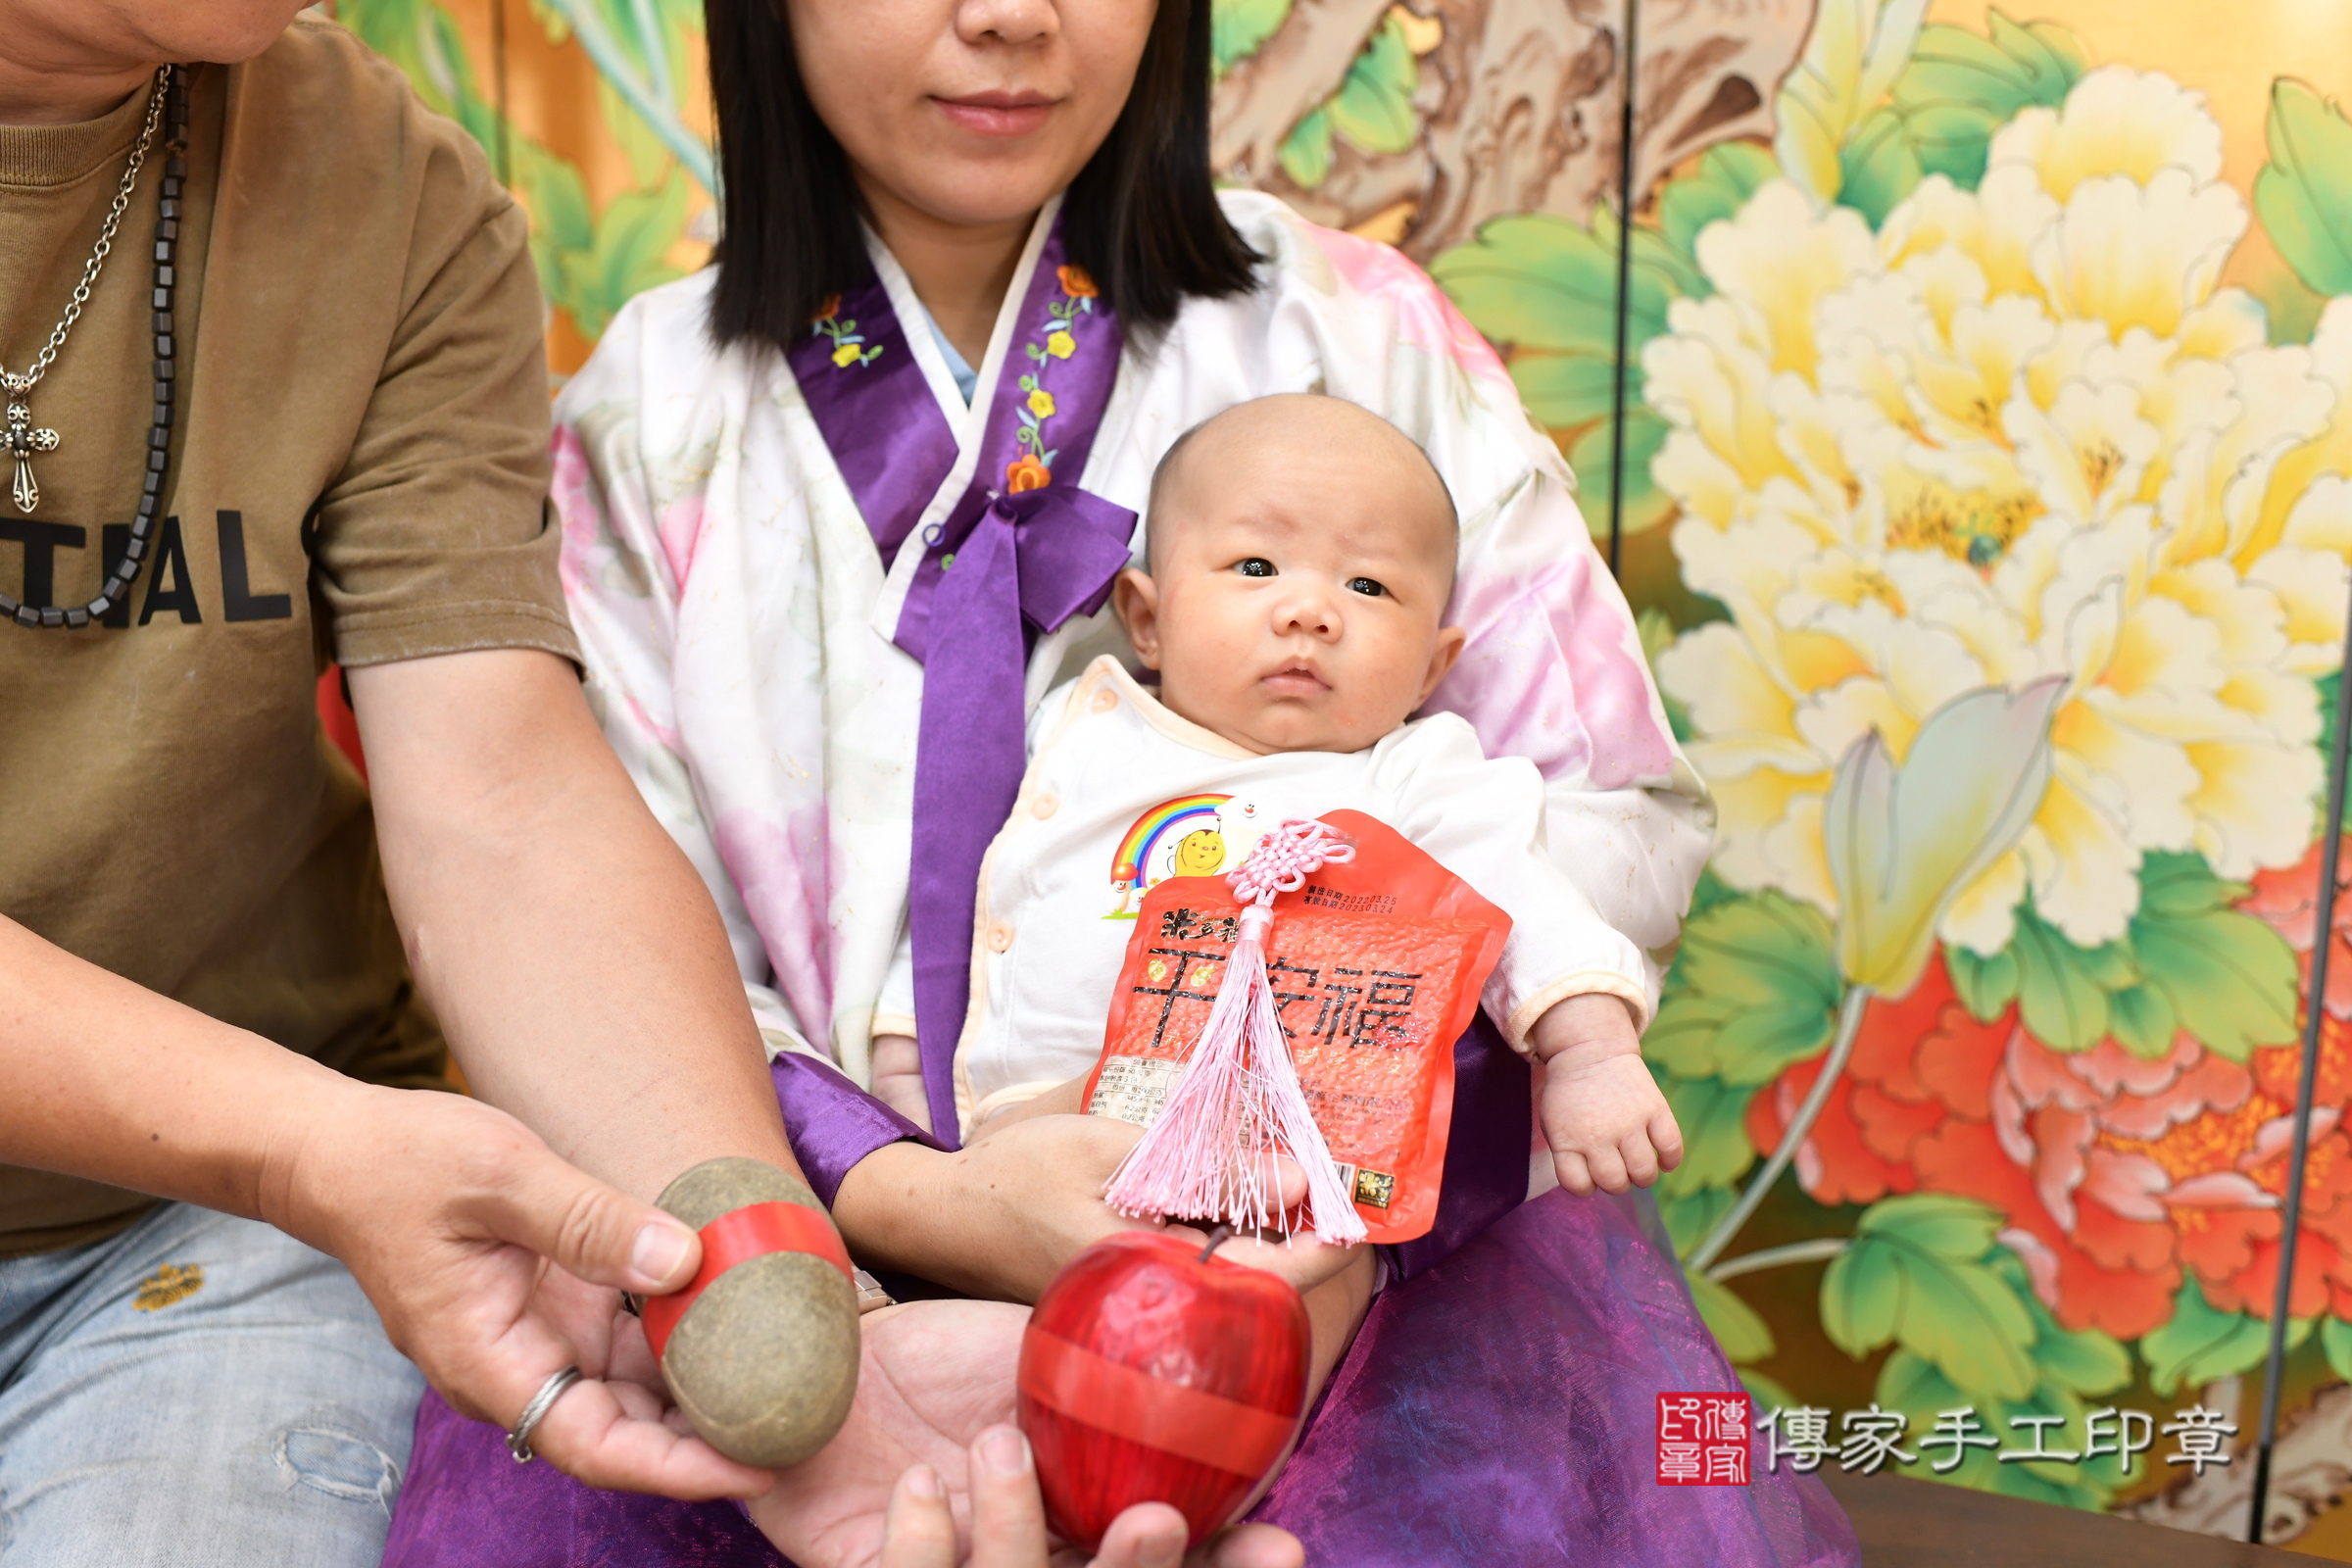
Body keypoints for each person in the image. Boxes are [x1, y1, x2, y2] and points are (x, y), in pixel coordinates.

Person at [389, 0, 1855, 1563]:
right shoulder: (646, 415)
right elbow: (593, 928)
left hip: (1329, 1278)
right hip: (801, 1262)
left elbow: (1605, 814)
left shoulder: (1353, 330)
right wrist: (897, 1199)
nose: (1010, 15)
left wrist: (1289, 1161)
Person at [1, 6, 929, 1563]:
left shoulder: (393, 191)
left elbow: (503, 808)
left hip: (223, 1230)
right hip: (288, 1143)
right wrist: (310, 1142)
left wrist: (753, 1260)